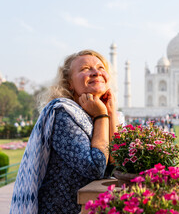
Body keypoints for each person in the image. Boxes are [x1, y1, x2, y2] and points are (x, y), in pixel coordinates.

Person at [10, 50, 119, 214]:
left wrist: (110, 112)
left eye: (100, 67)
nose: (96, 72)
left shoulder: (91, 115)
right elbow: (94, 168)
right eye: (85, 69)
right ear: (69, 83)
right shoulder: (63, 113)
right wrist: (102, 116)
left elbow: (117, 163)